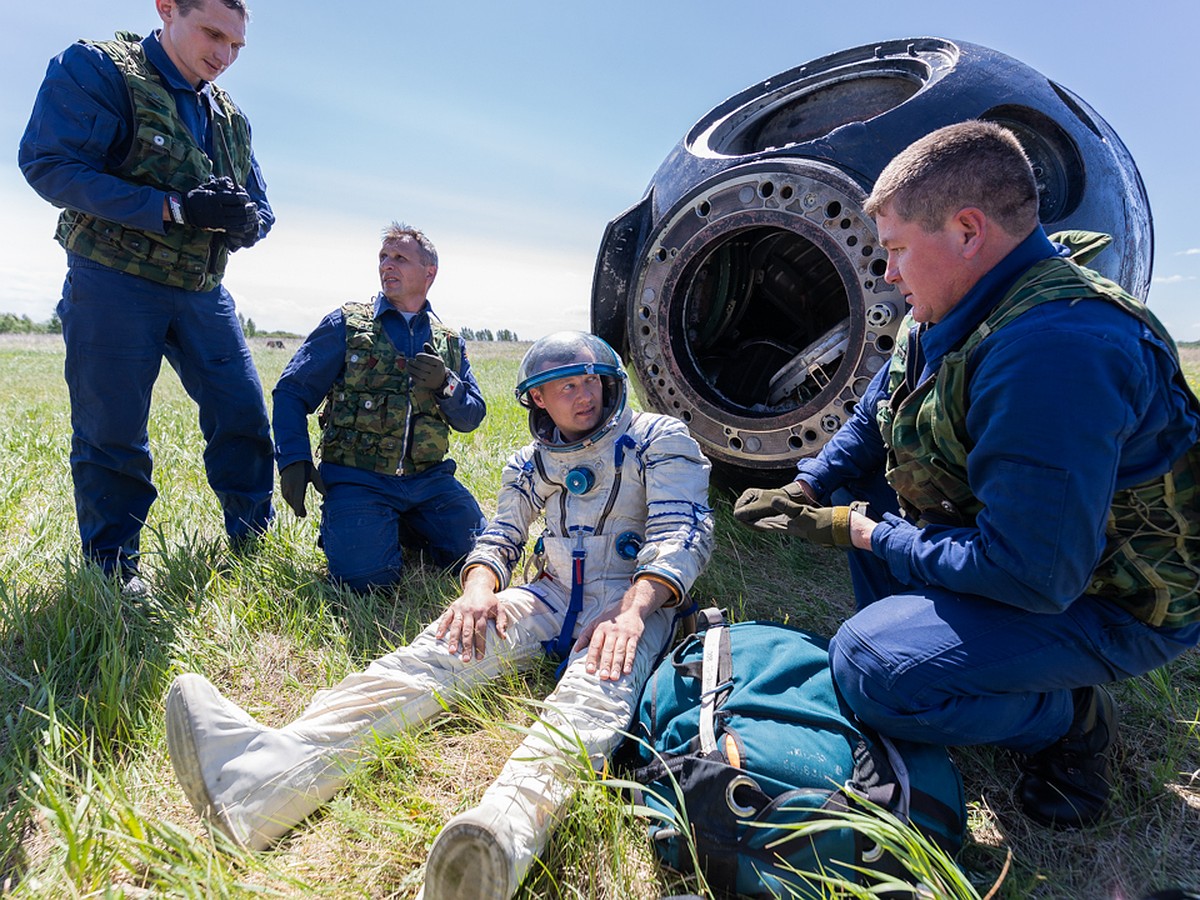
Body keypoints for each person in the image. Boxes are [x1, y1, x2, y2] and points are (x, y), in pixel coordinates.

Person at [734, 121, 1200, 829]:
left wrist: (866, 535)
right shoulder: (962, 299)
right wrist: (810, 483)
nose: (887, 274)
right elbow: (880, 409)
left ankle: (1067, 719)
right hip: (1049, 554)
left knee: (869, 667)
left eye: (894, 250)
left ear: (967, 231)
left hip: (1115, 597)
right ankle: (968, 656)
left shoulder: (1056, 350)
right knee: (884, 517)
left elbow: (1032, 576)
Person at [164, 331, 714, 896]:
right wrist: (479, 591)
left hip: (632, 601)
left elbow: (682, 531)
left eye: (590, 381)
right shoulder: (529, 463)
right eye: (564, 386)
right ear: (538, 401)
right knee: (441, 648)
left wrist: (631, 613)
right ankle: (264, 776)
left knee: (591, 699)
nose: (583, 396)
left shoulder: (657, 439)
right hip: (549, 591)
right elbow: (500, 535)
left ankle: (498, 840)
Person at [18, 0, 275, 589]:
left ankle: (253, 540)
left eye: (236, 46)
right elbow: (48, 164)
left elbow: (262, 206)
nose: (223, 55)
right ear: (166, 8)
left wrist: (245, 222)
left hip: (201, 290)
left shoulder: (229, 116)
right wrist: (173, 206)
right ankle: (113, 570)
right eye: (213, 34)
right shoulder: (100, 69)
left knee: (242, 414)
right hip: (113, 281)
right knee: (113, 432)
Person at [271, 223, 488, 590]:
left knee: (479, 557)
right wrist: (294, 459)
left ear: (429, 272)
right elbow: (291, 392)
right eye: (383, 258)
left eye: (400, 258)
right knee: (368, 581)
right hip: (360, 479)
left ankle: (403, 525)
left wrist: (445, 384)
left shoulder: (449, 341)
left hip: (429, 482)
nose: (388, 265)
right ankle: (359, 526)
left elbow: (471, 417)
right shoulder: (347, 325)